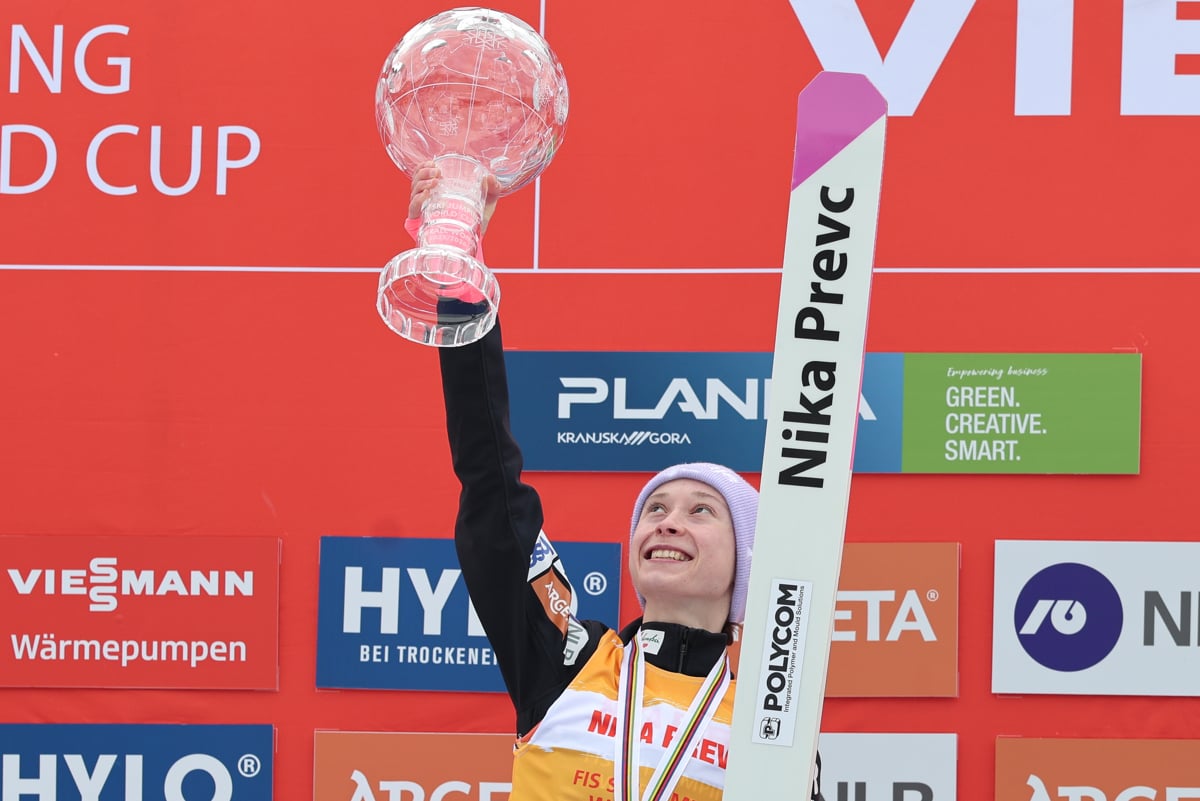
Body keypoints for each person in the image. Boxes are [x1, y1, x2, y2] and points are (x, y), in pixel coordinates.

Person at [409, 164, 823, 800]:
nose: (668, 522)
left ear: (746, 559)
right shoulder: (569, 659)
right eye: (654, 509)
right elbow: (493, 498)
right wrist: (461, 288)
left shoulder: (770, 723)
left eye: (702, 511)